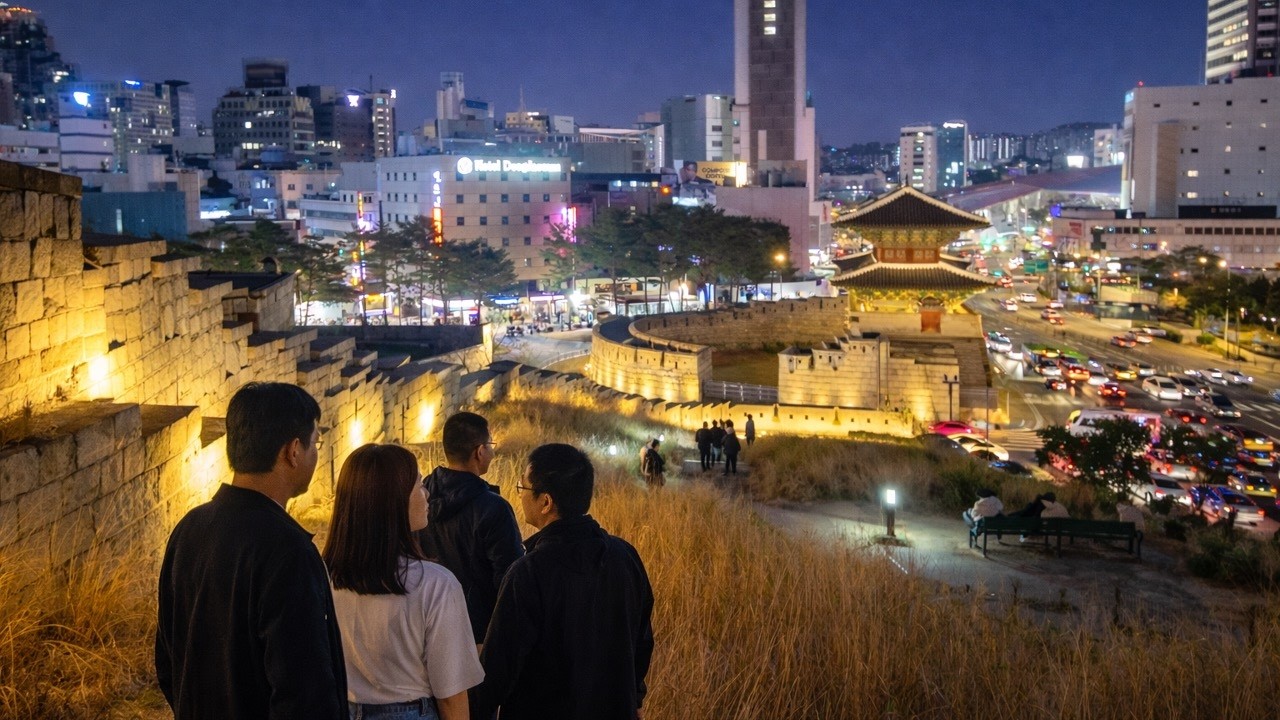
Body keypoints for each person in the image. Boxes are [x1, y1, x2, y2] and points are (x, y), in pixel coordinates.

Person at [155, 382, 347, 719]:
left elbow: (169, 660)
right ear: (293, 451)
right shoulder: (288, 550)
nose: (316, 453)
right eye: (315, 443)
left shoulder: (189, 529)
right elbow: (303, 691)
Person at [473, 444, 654, 720]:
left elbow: (498, 669)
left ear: (545, 502)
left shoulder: (529, 572)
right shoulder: (624, 556)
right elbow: (641, 642)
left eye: (522, 487)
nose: (519, 495)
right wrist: (634, 699)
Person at [324, 444, 483, 720]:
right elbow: (452, 696)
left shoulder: (322, 577)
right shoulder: (436, 585)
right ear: (394, 502)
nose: (427, 494)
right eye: (419, 485)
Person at [417, 412, 524, 647]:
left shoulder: (420, 498)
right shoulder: (493, 508)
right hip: (475, 632)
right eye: (491, 445)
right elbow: (509, 578)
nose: (493, 452)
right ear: (480, 451)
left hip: (425, 624)